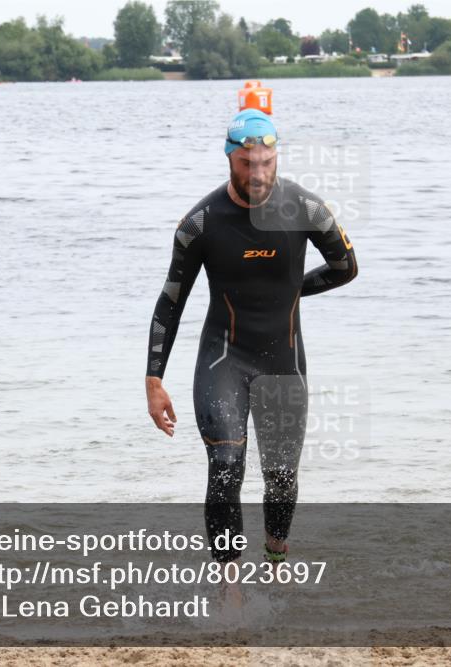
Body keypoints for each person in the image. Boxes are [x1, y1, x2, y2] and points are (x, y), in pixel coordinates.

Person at [145, 107, 358, 585]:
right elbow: (170, 301)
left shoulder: (306, 209)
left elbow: (345, 267)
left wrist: (291, 292)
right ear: (230, 159)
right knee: (226, 464)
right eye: (247, 163)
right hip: (224, 358)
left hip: (283, 362)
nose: (257, 173)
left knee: (282, 479)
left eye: (265, 161)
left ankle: (277, 560)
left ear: (276, 155)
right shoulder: (201, 223)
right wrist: (153, 379)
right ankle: (230, 587)